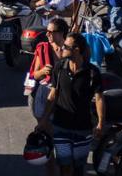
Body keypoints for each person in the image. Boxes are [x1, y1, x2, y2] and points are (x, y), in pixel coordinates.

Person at [38, 32, 105, 176]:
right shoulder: (59, 67)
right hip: (61, 126)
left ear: (77, 50)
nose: (62, 48)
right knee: (64, 165)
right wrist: (44, 120)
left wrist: (100, 123)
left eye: (66, 46)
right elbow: (53, 94)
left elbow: (99, 98)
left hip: (83, 128)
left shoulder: (92, 73)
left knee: (78, 167)